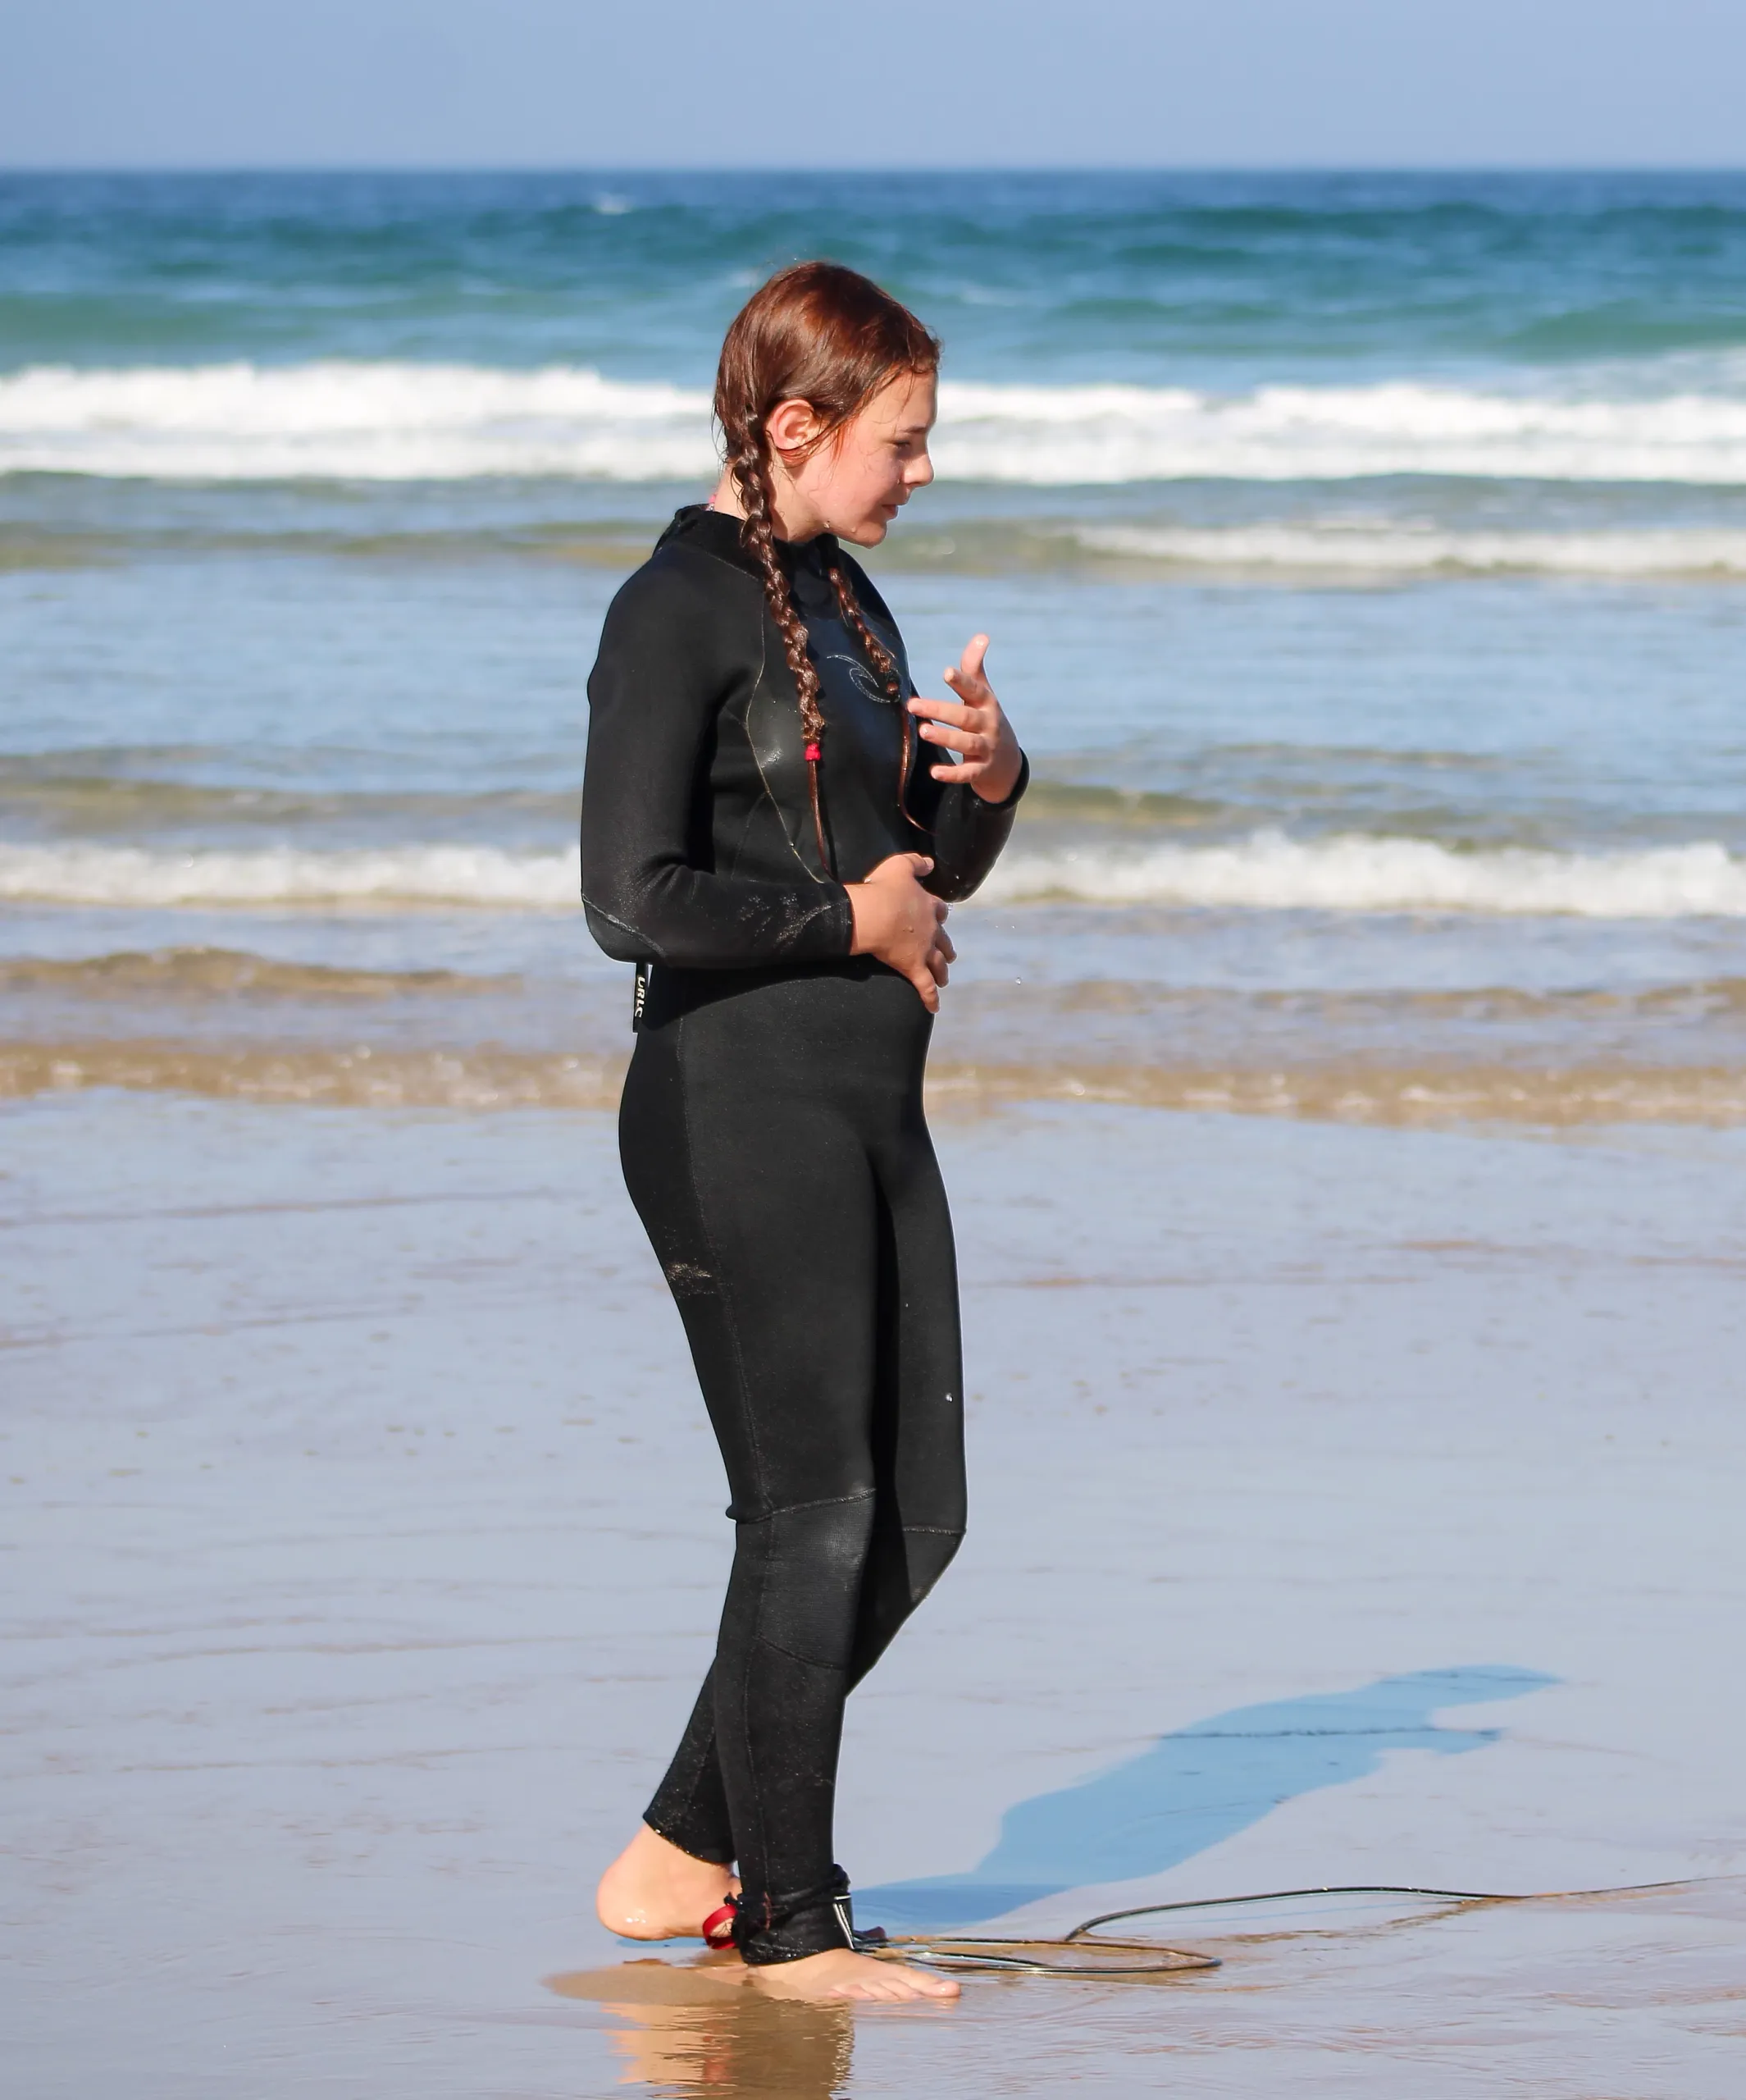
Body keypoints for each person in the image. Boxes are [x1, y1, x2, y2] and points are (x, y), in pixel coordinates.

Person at [577, 262, 1031, 2002]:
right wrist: (852, 926)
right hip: (732, 1098)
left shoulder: (846, 600)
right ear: (795, 426)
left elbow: (910, 868)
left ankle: (683, 1843)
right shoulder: (670, 609)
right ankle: (787, 1923)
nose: (924, 473)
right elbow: (632, 895)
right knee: (810, 1509)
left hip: (866, 1099)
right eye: (902, 442)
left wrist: (985, 782)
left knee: (916, 1517)